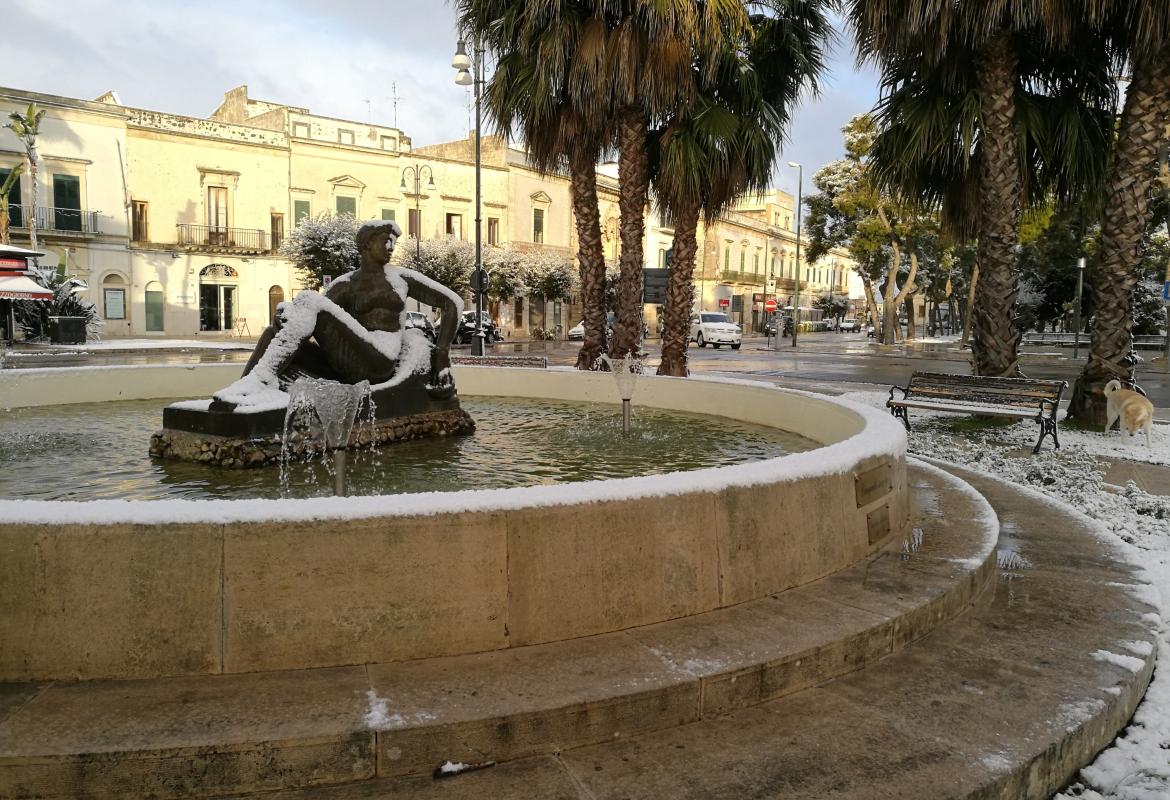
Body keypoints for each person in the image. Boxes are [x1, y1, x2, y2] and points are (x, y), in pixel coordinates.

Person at [212, 220, 459, 409]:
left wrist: (442, 354)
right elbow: (315, 324)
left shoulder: (401, 279)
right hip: (349, 363)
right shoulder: (345, 285)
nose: (390, 247)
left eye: (393, 241)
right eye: (385, 240)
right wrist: (287, 317)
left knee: (310, 300)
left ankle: (261, 380)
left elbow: (452, 303)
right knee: (272, 331)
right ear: (366, 244)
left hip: (379, 361)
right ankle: (244, 390)